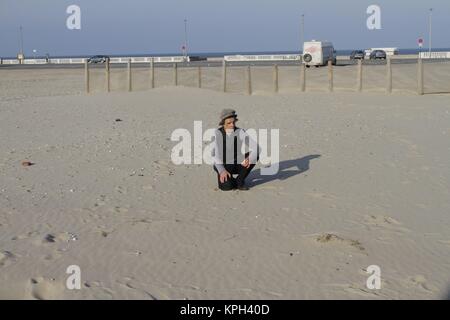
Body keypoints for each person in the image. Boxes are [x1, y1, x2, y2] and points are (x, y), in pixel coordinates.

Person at [212, 109, 259, 191]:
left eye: (233, 122)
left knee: (255, 155)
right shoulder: (217, 133)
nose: (232, 125)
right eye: (229, 123)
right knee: (227, 187)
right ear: (223, 123)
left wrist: (250, 158)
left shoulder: (240, 132)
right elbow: (215, 155)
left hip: (236, 162)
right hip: (223, 164)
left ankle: (240, 180)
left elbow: (257, 147)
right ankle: (230, 180)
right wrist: (222, 170)